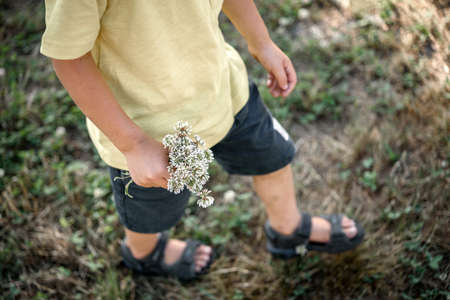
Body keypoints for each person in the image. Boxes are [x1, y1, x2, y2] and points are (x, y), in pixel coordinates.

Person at [40, 0, 364, 281]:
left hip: (224, 92)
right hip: (151, 133)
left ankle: (288, 229)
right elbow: (69, 57)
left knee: (272, 157)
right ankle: (144, 252)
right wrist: (133, 144)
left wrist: (261, 41)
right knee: (150, 213)